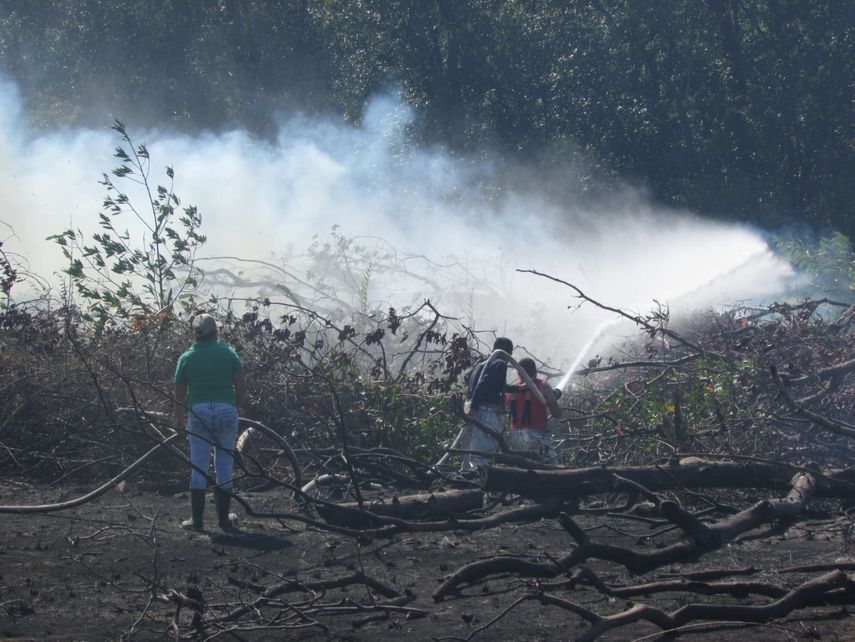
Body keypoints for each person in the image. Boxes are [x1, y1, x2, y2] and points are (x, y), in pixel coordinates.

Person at [174, 313, 247, 532]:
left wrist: (179, 422)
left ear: (195, 335)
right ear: (216, 332)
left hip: (198, 414)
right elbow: (241, 388)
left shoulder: (186, 358)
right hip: (226, 411)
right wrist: (233, 406)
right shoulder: (229, 353)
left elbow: (179, 396)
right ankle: (224, 521)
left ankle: (196, 522)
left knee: (198, 465)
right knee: (224, 465)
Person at [458, 337, 516, 472]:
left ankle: (466, 478)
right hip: (485, 412)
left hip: (474, 408)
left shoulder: (481, 364)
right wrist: (474, 409)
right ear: (508, 353)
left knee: (470, 450)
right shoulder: (499, 363)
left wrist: (521, 388)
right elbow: (482, 385)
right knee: (484, 452)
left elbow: (496, 386)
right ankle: (479, 482)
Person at [504, 358, 563, 461]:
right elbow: (556, 413)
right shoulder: (542, 386)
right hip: (535, 438)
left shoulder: (510, 391)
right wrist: (552, 399)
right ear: (535, 371)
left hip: (514, 439)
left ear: (519, 373)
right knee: (555, 464)